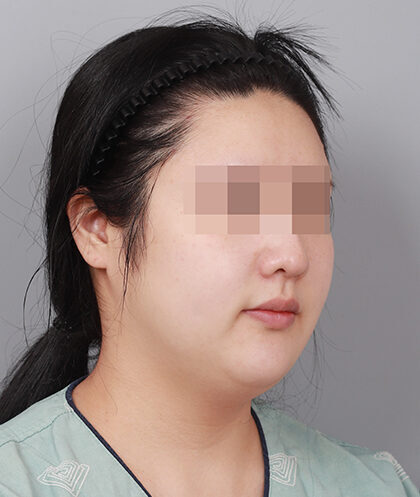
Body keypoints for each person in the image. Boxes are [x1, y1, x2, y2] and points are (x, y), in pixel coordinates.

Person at [0, 9, 418, 497]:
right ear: (97, 229)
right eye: (237, 205)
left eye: (311, 208)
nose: (293, 255)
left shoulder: (374, 487)